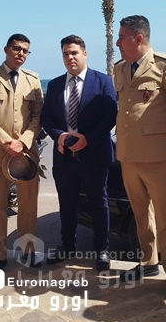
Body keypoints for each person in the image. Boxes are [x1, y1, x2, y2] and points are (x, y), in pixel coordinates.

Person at [113, 15, 166, 300]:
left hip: (159, 157)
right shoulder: (120, 69)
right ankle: (148, 261)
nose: (118, 43)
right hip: (128, 156)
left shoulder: (165, 65)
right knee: (140, 213)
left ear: (138, 38)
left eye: (122, 38)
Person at [41, 35, 117, 270]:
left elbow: (110, 116)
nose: (70, 57)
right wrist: (59, 135)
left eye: (74, 52)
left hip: (94, 154)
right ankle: (67, 245)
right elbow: (46, 118)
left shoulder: (102, 81)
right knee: (67, 204)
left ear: (84, 54)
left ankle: (102, 249)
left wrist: (88, 139)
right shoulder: (54, 85)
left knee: (99, 203)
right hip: (64, 156)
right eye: (65, 54)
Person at [0, 33, 44, 269]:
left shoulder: (33, 80)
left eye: (25, 50)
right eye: (16, 48)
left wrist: (22, 143)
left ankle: (28, 251)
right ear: (6, 50)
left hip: (26, 155)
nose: (21, 53)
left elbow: (38, 116)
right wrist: (8, 143)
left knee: (28, 206)